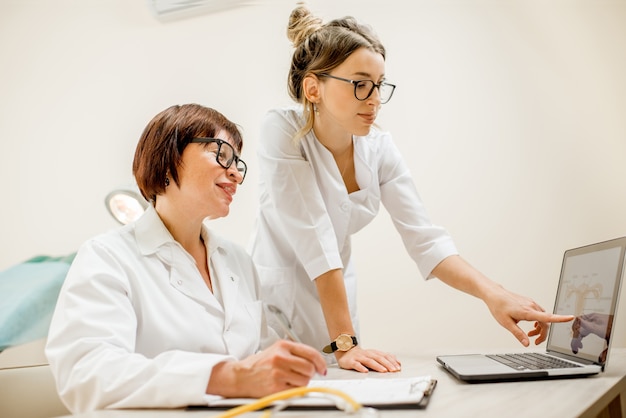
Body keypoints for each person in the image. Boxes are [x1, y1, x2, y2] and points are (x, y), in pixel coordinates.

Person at [248, 4, 574, 373]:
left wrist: (494, 295)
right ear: (313, 88)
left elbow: (426, 240)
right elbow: (316, 237)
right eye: (359, 84)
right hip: (277, 305)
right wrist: (345, 342)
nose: (373, 99)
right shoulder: (281, 132)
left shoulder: (378, 147)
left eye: (378, 85)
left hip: (336, 312)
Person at [45, 104, 326, 413]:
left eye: (238, 163)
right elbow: (86, 375)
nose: (234, 172)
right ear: (168, 156)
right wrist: (225, 377)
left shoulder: (238, 261)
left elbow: (257, 353)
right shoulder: (107, 257)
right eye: (221, 154)